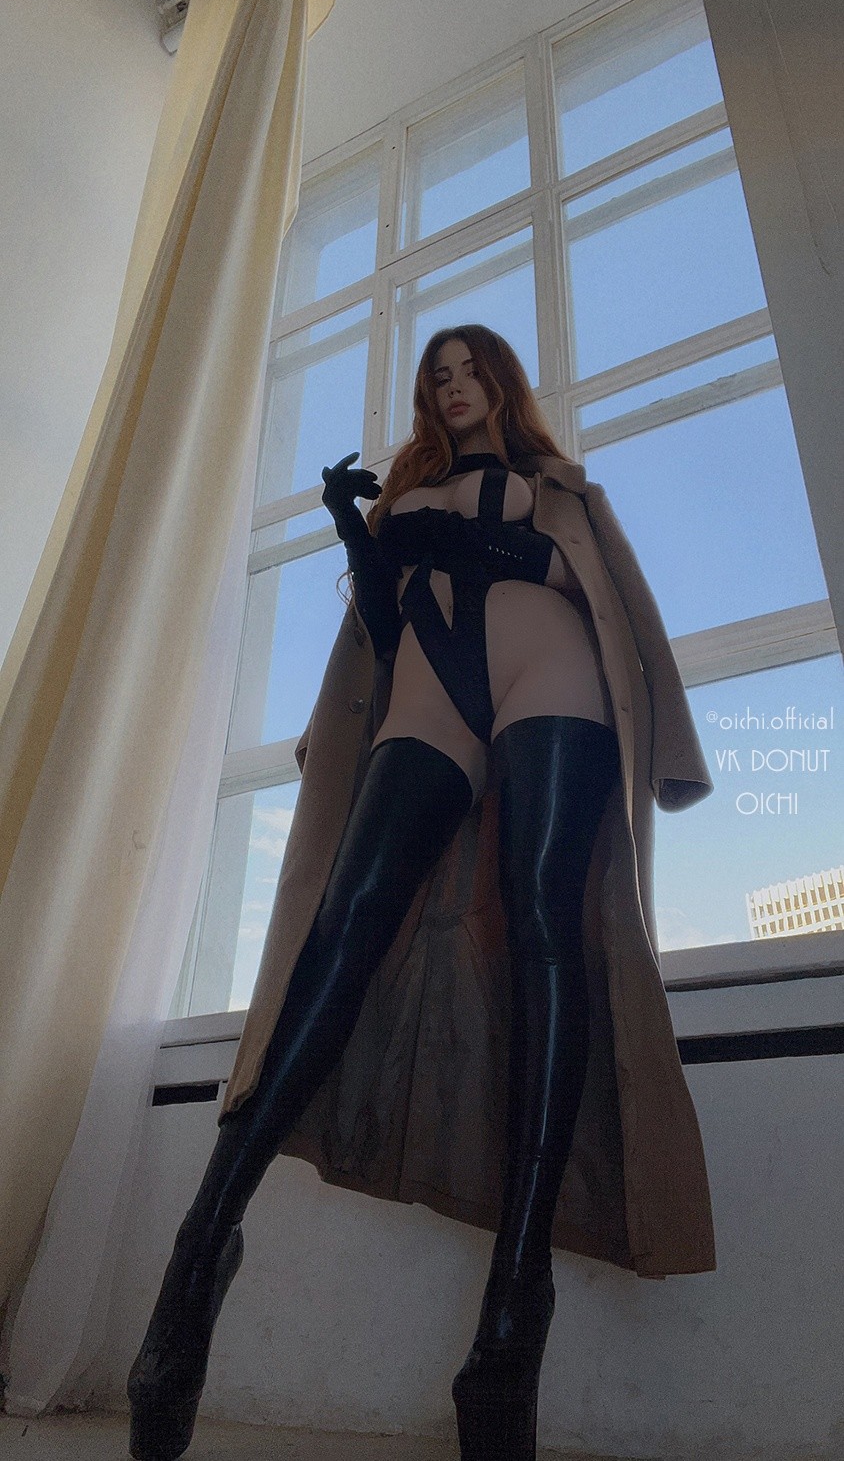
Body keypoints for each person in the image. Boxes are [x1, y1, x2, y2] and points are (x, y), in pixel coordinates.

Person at [127, 324, 714, 1461]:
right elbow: (389, 627)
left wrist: (458, 541)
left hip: (553, 670)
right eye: (434, 377)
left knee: (546, 922)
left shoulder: (559, 487)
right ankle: (201, 1248)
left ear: (500, 381)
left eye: (467, 371)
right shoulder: (406, 496)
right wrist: (359, 527)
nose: (451, 389)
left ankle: (513, 1306)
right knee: (345, 925)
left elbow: (585, 589)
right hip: (432, 685)